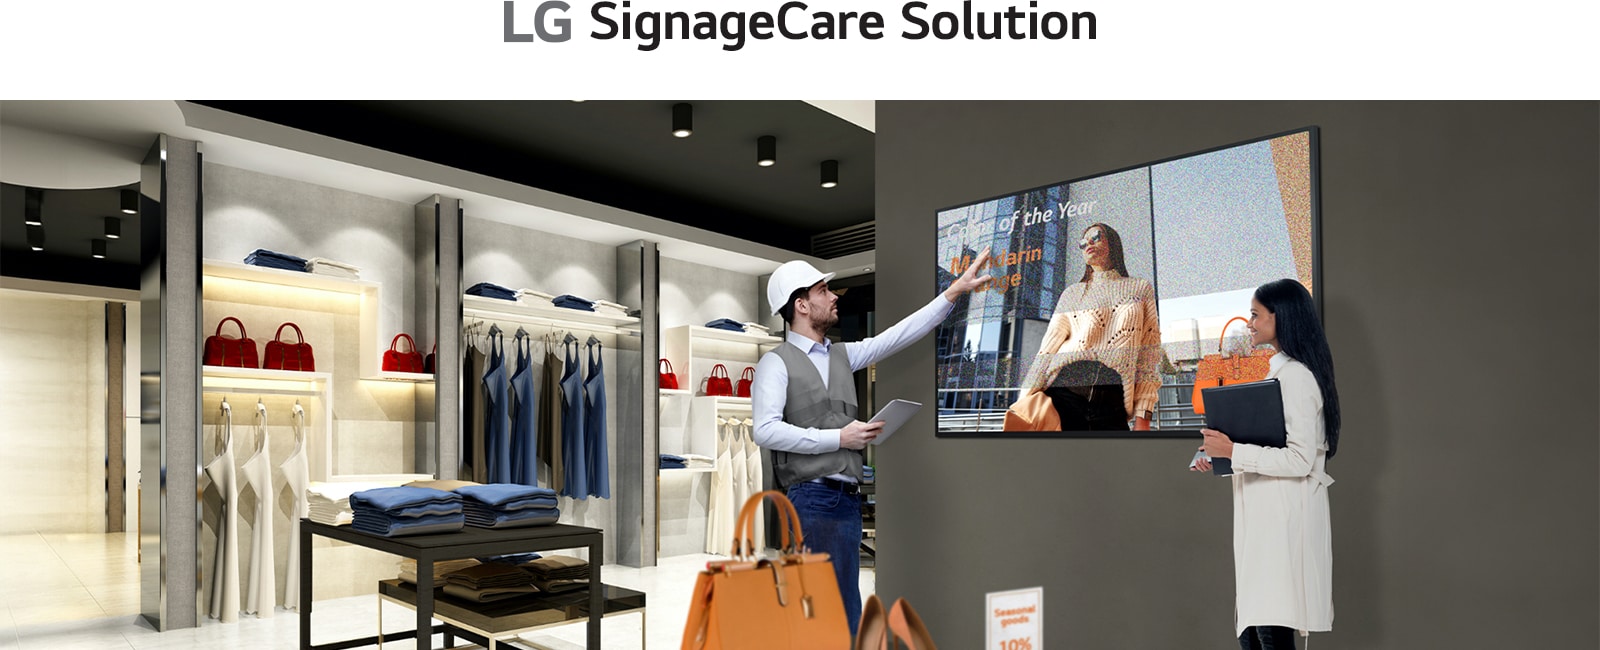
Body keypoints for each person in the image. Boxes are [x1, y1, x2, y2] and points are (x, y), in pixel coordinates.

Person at [752, 251, 992, 636]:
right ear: (800, 305)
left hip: (846, 499)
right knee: (820, 611)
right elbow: (763, 430)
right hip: (811, 500)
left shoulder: (843, 355)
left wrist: (953, 293)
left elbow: (897, 336)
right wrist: (840, 437)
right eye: (823, 290)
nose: (834, 296)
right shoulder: (775, 363)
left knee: (846, 610)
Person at [1193, 278, 1340, 650]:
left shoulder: (1298, 378)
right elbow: (1264, 444)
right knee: (1255, 633)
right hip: (1264, 530)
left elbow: (1299, 459)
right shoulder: (1278, 373)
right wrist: (1218, 453)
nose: (1250, 323)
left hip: (1281, 529)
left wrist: (1234, 452)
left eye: (1256, 315)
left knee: (1269, 634)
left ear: (1281, 317)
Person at [1017, 223, 1162, 430]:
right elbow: (1047, 352)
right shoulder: (1072, 293)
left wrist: (1143, 420)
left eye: (1095, 237)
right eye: (1083, 242)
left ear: (1112, 242)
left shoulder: (1140, 288)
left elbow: (1148, 360)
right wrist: (1024, 400)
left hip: (1113, 403)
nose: (1088, 244)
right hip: (1064, 395)